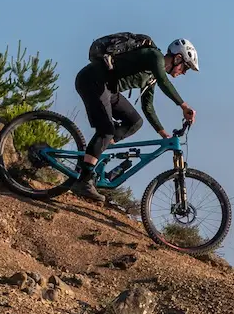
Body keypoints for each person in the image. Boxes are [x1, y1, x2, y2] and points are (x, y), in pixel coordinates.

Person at [71, 38, 199, 200]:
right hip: (92, 81)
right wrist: (183, 106)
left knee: (135, 122)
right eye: (185, 67)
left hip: (108, 89)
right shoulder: (154, 56)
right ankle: (84, 180)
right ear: (178, 58)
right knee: (107, 130)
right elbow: (164, 82)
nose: (184, 72)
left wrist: (162, 133)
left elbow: (148, 107)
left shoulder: (152, 76)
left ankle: (95, 154)